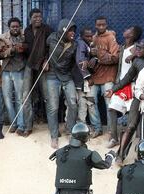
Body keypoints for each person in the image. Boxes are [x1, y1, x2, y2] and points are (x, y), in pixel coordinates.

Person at [107, 39, 144, 165]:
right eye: (136, 47)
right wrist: (113, 89)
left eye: (140, 48)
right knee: (131, 126)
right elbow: (127, 78)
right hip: (139, 97)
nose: (136, 50)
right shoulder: (137, 61)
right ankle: (120, 155)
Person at [107, 25, 142, 148]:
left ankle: (134, 140)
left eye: (128, 29)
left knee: (133, 114)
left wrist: (135, 55)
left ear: (132, 34)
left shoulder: (137, 48)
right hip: (121, 84)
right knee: (111, 108)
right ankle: (114, 138)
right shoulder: (123, 47)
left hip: (131, 85)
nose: (124, 30)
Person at [46, 18, 78, 149]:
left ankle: (69, 129)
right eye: (70, 30)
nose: (73, 33)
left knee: (73, 104)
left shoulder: (74, 45)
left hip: (66, 76)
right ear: (63, 30)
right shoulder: (52, 38)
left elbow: (75, 62)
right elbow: (42, 50)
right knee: (53, 106)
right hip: (52, 75)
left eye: (74, 31)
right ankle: (54, 135)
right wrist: (44, 60)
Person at [23, 8, 53, 135]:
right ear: (30, 18)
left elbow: (51, 47)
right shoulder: (27, 30)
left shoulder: (47, 29)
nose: (38, 19)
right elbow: (27, 48)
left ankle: (52, 127)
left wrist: (47, 60)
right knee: (26, 95)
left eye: (40, 17)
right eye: (35, 17)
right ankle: (28, 126)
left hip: (43, 65)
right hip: (29, 65)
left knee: (47, 96)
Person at [89, 16, 120, 139]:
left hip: (108, 76)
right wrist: (96, 57)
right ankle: (97, 128)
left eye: (103, 25)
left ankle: (112, 132)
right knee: (90, 101)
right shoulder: (93, 38)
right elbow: (90, 57)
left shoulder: (111, 37)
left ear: (106, 25)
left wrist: (99, 55)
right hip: (95, 75)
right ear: (95, 25)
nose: (101, 27)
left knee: (109, 104)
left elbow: (114, 58)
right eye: (99, 25)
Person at [0, 17, 27, 136]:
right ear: (9, 27)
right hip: (6, 70)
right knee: (7, 98)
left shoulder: (25, 36)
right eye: (12, 27)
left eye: (17, 26)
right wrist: (11, 51)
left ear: (20, 27)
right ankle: (13, 123)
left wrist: (23, 48)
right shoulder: (2, 38)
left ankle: (21, 125)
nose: (15, 29)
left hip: (19, 70)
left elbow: (29, 51)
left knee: (20, 98)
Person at [72, 27, 100, 132]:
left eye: (90, 36)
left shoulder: (88, 45)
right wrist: (87, 78)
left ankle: (84, 126)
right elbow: (80, 60)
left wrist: (94, 58)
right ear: (81, 36)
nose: (89, 38)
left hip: (82, 81)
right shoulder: (81, 44)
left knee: (86, 103)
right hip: (81, 80)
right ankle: (83, 127)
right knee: (85, 103)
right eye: (87, 36)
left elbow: (87, 59)